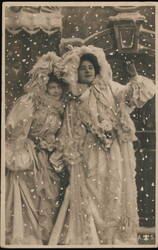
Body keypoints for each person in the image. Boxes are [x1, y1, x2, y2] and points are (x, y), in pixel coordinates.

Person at [48, 45, 155, 245]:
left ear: (96, 69)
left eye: (90, 67)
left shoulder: (109, 88)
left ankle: (111, 236)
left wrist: (134, 78)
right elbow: (69, 128)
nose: (87, 71)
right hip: (87, 151)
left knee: (112, 190)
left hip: (113, 150)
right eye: (83, 68)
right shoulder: (73, 98)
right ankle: (91, 235)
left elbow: (131, 95)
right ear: (76, 72)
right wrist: (69, 152)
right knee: (91, 190)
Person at [5, 52, 68, 245]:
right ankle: (31, 234)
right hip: (33, 152)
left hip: (51, 156)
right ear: (45, 86)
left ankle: (46, 233)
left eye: (58, 87)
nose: (56, 91)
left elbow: (62, 133)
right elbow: (16, 127)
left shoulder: (62, 108)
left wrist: (56, 147)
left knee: (50, 195)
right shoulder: (31, 102)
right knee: (32, 191)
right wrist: (24, 146)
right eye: (52, 87)